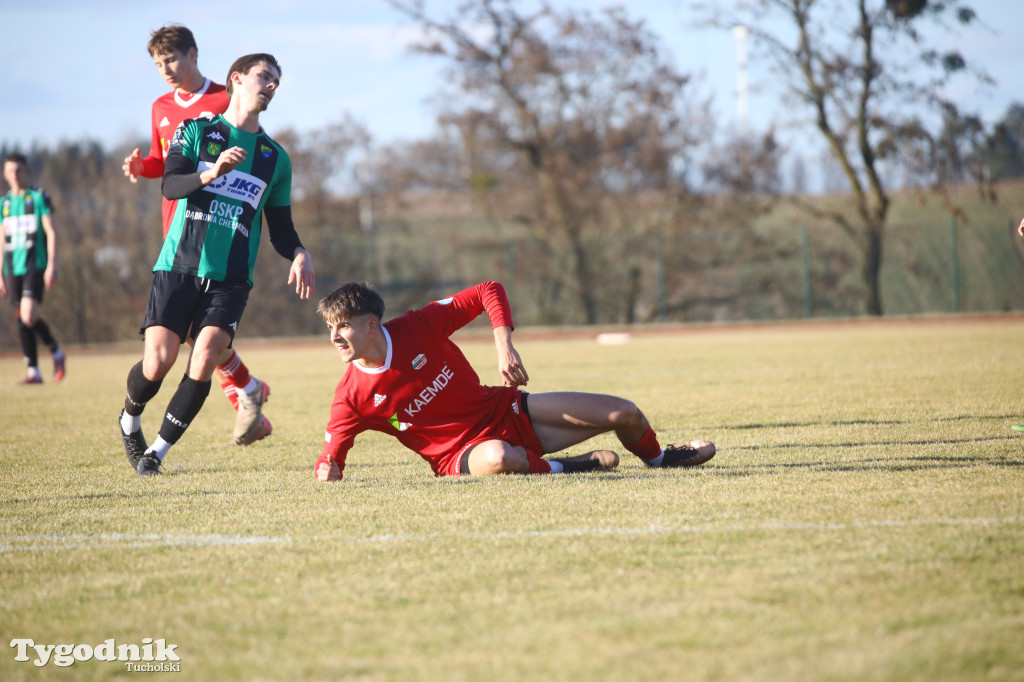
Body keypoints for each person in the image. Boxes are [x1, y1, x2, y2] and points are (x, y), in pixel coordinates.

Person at [119, 53, 315, 477]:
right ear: (237, 79)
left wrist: (299, 252)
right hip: (179, 266)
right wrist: (211, 174)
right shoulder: (196, 131)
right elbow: (171, 184)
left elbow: (280, 228)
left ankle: (156, 453)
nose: (271, 85)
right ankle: (129, 419)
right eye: (264, 76)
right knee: (157, 363)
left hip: (231, 280)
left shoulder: (275, 158)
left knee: (205, 355)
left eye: (277, 81)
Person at [313, 280, 715, 481]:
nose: (334, 337)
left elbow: (489, 289)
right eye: (330, 328)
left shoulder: (416, 327)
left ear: (370, 325)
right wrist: (327, 469)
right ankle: (568, 467)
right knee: (500, 458)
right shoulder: (351, 396)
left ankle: (661, 459)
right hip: (462, 455)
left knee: (624, 412)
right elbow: (331, 458)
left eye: (341, 327)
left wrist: (504, 345)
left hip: (504, 410)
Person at [122, 24, 271, 446]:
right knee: (191, 336)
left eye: (172, 59)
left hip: (218, 229)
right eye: (157, 63)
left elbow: (251, 155)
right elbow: (165, 162)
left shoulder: (227, 96)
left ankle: (245, 393)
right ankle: (247, 390)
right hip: (177, 228)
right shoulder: (161, 107)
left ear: (193, 54)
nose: (165, 69)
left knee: (202, 337)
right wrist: (143, 168)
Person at [1, 153, 66, 385]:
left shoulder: (38, 197)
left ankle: (56, 353)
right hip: (12, 268)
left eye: (19, 170)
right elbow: (2, 239)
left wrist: (52, 264)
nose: (15, 175)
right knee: (23, 318)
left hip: (34, 265)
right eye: (10, 171)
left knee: (27, 314)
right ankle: (34, 371)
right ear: (5, 174)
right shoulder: (4, 204)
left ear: (27, 171)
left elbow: (51, 231)